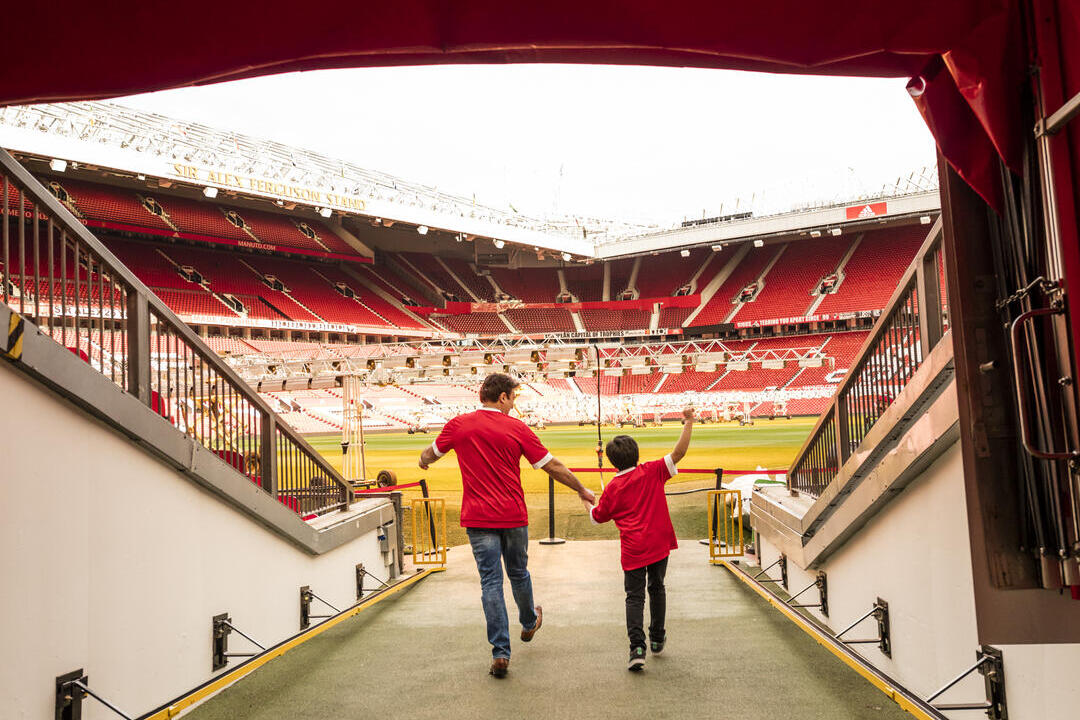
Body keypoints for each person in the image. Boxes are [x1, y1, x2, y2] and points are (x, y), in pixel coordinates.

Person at [418, 372, 595, 678]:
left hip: (477, 517)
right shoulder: (517, 428)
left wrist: (423, 462)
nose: (514, 404)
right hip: (513, 515)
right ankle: (528, 622)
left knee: (490, 583)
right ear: (502, 397)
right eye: (513, 397)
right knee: (518, 573)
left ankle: (501, 653)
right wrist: (581, 488)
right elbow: (552, 466)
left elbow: (429, 454)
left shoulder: (458, 425)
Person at [584, 405, 695, 671]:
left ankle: (637, 648)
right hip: (658, 545)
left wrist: (585, 500)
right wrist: (689, 421)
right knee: (657, 588)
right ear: (636, 454)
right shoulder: (652, 470)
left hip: (633, 550)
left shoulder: (612, 487)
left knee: (635, 597)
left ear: (612, 461)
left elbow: (597, 516)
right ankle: (657, 637)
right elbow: (679, 453)